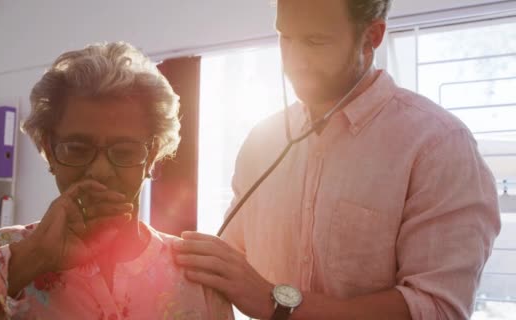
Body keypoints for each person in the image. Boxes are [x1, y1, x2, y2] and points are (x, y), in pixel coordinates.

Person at [172, 1, 501, 319]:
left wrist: (276, 304)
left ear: (372, 36)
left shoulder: (438, 145)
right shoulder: (262, 141)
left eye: (316, 41)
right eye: (286, 37)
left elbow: (436, 309)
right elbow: (232, 264)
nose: (295, 59)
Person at [0, 42, 233, 320]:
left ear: (152, 156)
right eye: (77, 149)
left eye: (124, 150)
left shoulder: (196, 278)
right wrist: (28, 260)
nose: (101, 170)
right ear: (49, 151)